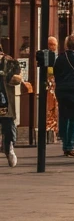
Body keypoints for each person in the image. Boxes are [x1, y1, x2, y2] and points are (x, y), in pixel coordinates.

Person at [0, 38, 22, 167]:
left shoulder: (9, 61)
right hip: (5, 98)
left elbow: (17, 77)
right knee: (8, 125)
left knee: (8, 125)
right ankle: (9, 149)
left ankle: (9, 148)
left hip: (5, 98)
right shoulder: (10, 61)